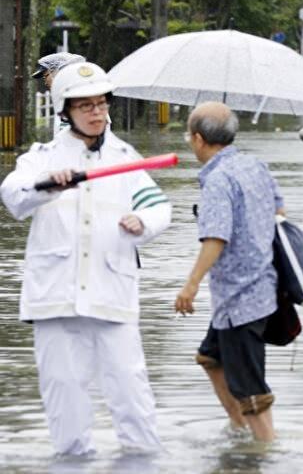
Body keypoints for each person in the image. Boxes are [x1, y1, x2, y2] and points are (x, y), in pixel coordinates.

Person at [0, 62, 172, 456]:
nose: (97, 113)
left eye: (101, 104)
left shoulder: (125, 157)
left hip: (112, 296)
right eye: (86, 106)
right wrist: (49, 186)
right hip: (54, 300)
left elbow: (159, 206)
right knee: (66, 404)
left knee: (132, 397)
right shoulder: (41, 157)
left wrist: (141, 221)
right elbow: (13, 195)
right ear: (65, 110)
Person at [174, 102, 283, 442]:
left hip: (240, 300)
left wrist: (189, 286)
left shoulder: (219, 180)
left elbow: (215, 239)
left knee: (253, 392)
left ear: (197, 138)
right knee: (210, 357)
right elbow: (279, 209)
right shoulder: (254, 165)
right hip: (257, 289)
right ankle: (238, 430)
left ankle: (266, 450)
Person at [32, 52, 86, 136]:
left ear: (59, 73)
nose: (45, 82)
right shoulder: (65, 100)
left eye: (46, 76)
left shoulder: (77, 101)